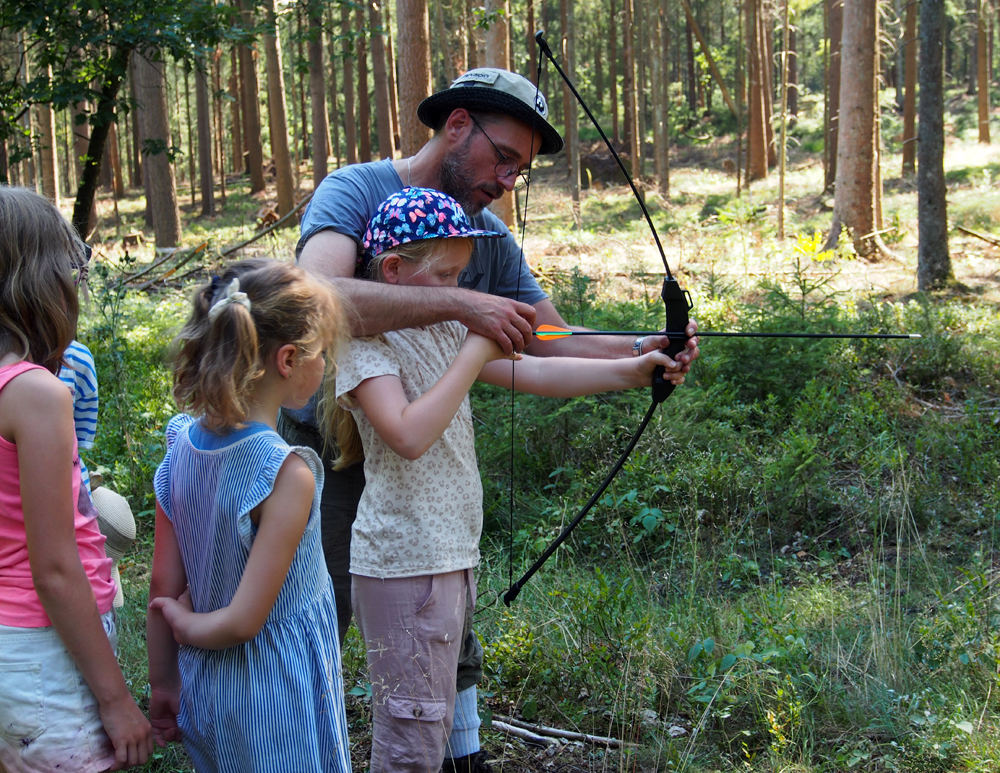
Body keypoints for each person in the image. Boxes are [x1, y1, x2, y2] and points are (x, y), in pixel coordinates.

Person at [288, 68, 700, 771]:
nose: (508, 179)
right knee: (316, 618)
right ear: (456, 127)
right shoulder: (357, 191)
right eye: (502, 157)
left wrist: (646, 349)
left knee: (442, 617)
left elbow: (547, 341)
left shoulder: (482, 236)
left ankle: (460, 753)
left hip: (429, 477)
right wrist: (464, 308)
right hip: (322, 449)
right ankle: (301, 749)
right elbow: (313, 299)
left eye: (521, 169)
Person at [146, 259, 352, 773]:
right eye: (321, 353)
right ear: (288, 360)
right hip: (276, 694)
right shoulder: (285, 474)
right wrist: (186, 625)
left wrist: (165, 682)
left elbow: (161, 585)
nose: (324, 365)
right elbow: (243, 622)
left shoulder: (179, 447)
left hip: (206, 690)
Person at [0, 186, 153, 772]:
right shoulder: (36, 393)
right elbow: (57, 569)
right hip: (44, 655)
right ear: (40, 279)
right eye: (69, 267)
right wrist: (116, 701)